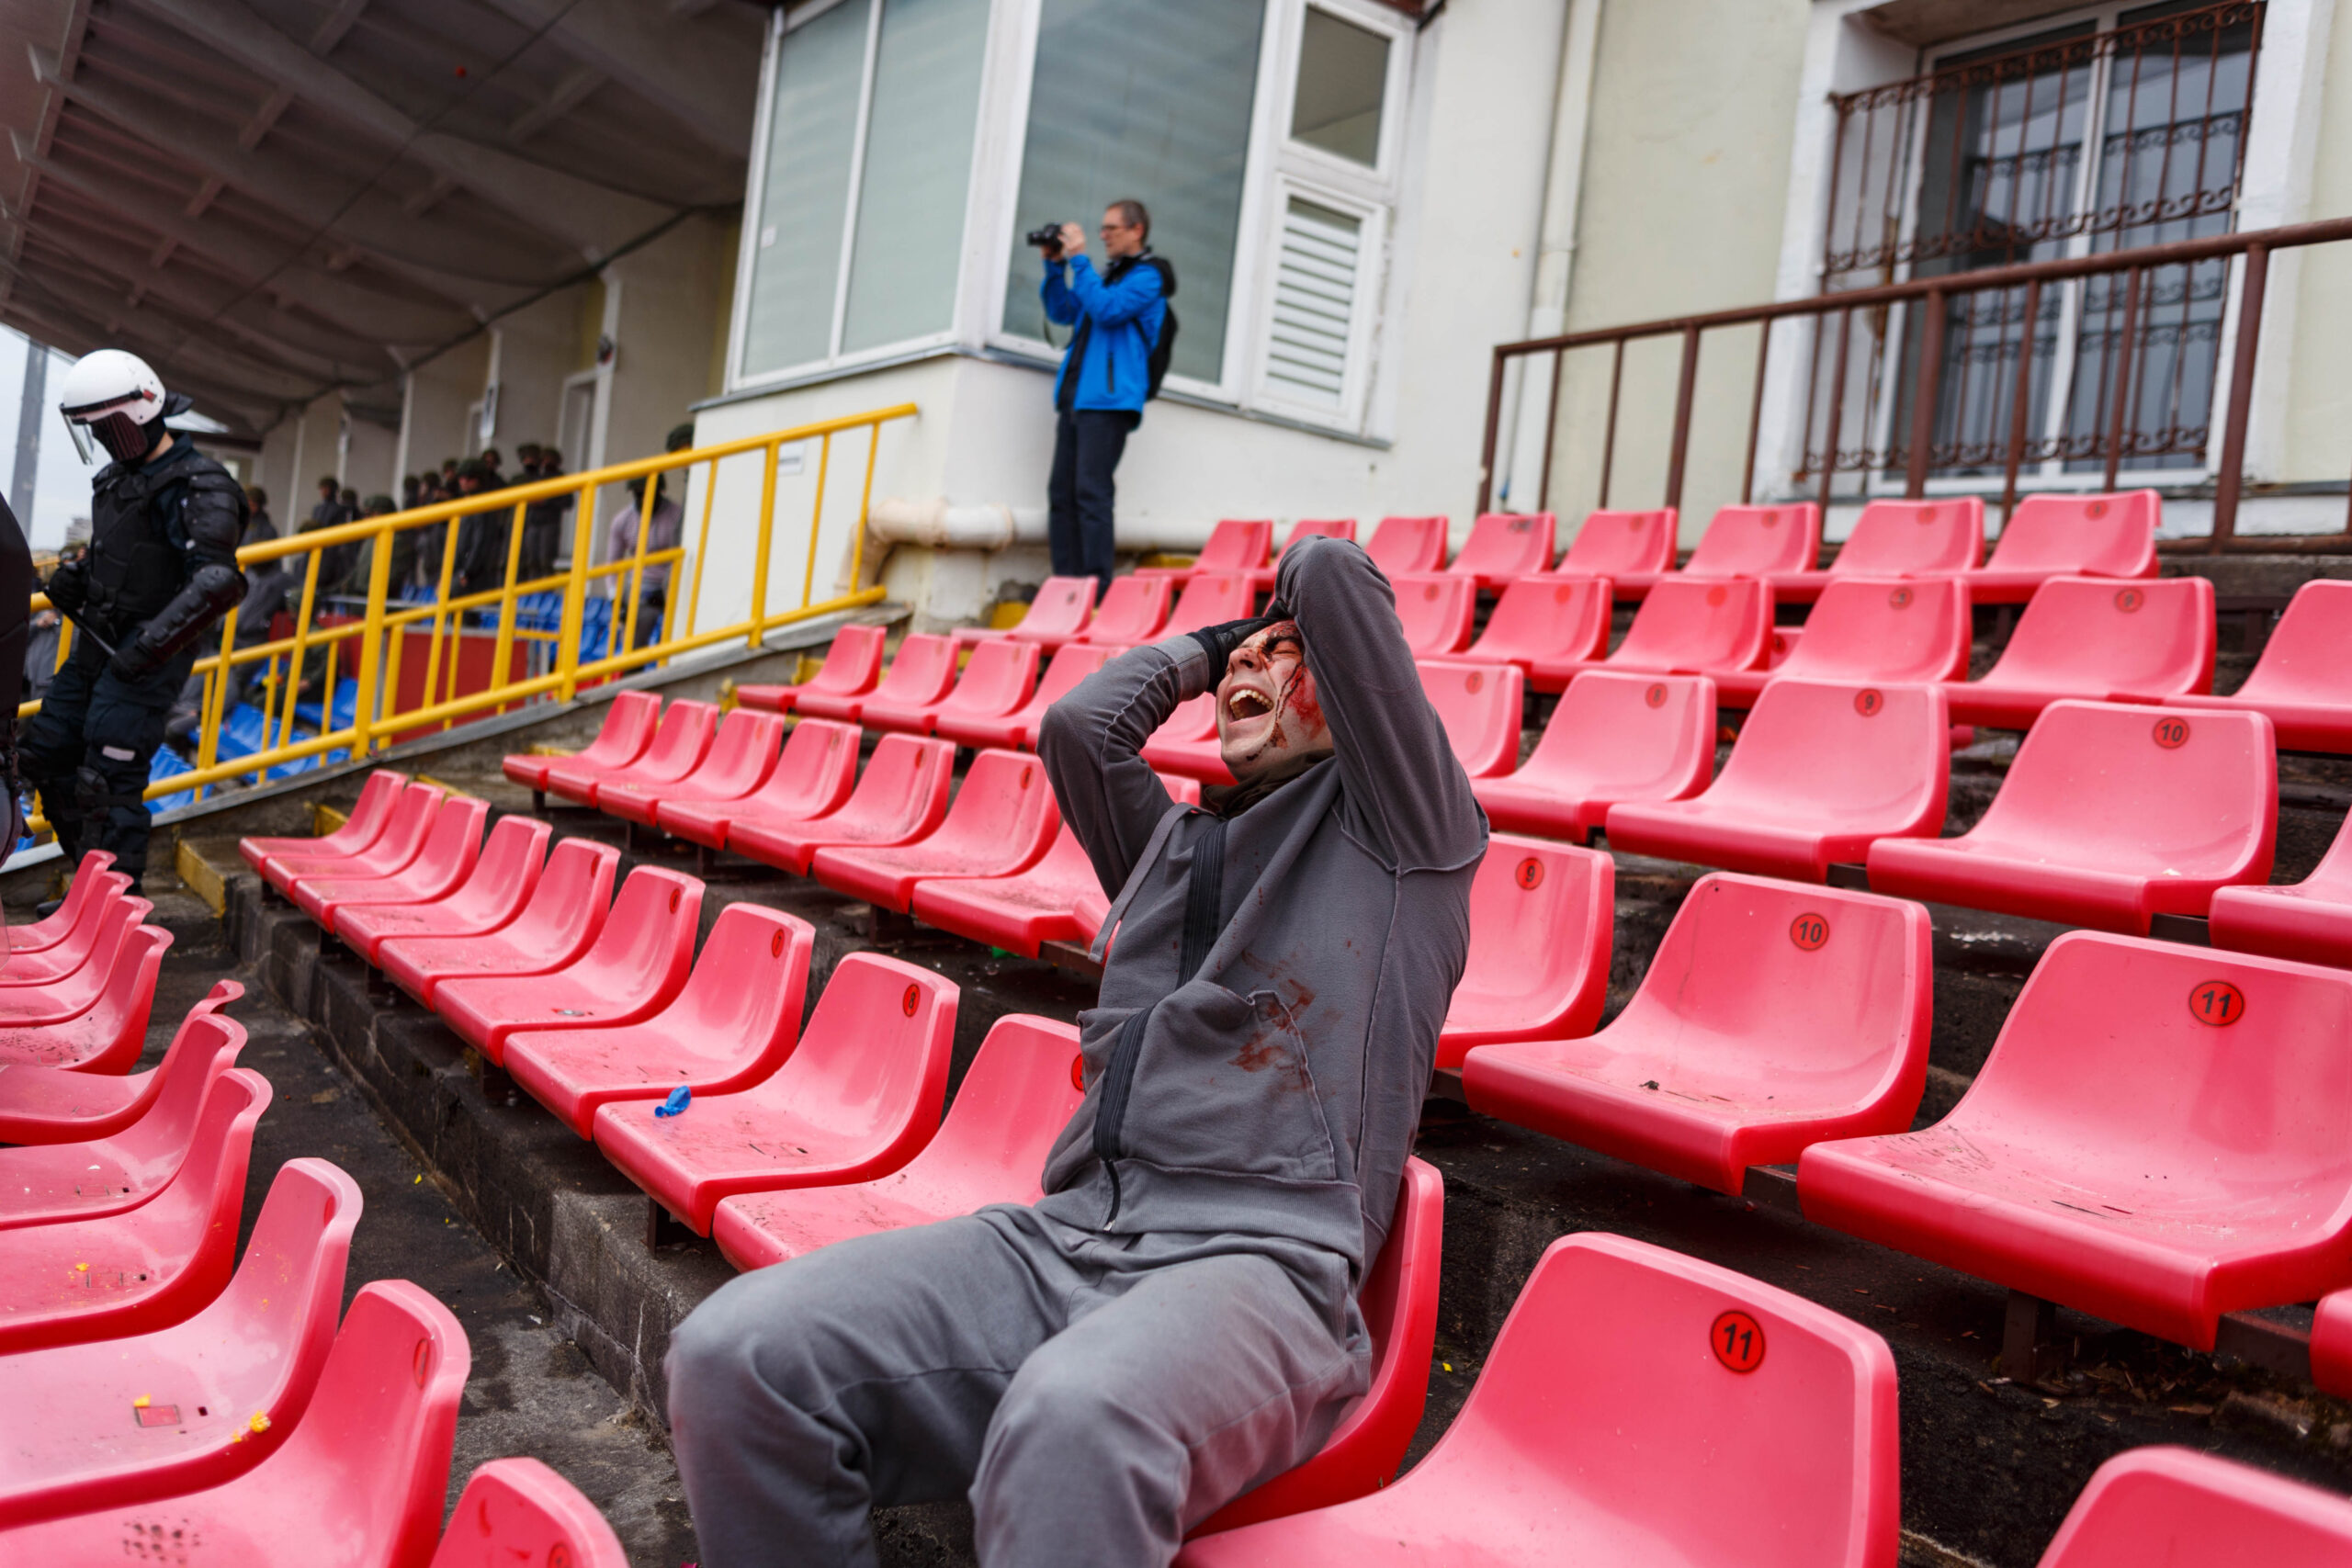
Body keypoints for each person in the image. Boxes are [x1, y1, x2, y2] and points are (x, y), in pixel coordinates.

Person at [666, 534, 1486, 1568]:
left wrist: (1280, 610)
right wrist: (1213, 648)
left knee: (1074, 1419)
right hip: (1070, 1233)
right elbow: (1080, 727)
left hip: (1259, 1269)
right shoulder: (1170, 845)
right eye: (1246, 652)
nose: (1250, 661)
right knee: (734, 1356)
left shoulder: (1411, 837)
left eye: (1286, 652)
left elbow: (1329, 572)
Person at [28, 350, 244, 890]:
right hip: (95, 649)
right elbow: (127, 557)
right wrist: (80, 577)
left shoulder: (200, 484)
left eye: (108, 427)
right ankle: (89, 893)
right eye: (94, 429)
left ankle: (119, 909)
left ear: (142, 411)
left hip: (145, 661)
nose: (102, 439)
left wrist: (148, 648)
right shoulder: (115, 480)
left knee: (108, 781)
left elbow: (217, 581)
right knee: (47, 752)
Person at [1037, 199, 1171, 597]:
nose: (1103, 235)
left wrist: (1079, 261)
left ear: (1136, 230)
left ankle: (1097, 589)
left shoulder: (1148, 277)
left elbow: (1108, 310)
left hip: (1109, 402)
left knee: (1091, 492)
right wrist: (1054, 266)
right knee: (1062, 494)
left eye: (1111, 228)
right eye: (1102, 228)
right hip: (1076, 397)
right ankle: (1066, 588)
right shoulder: (1105, 278)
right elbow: (1064, 311)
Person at [605, 474, 679, 648]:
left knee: (674, 632)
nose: (644, 499)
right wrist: (615, 597)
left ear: (660, 491)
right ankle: (635, 661)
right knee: (636, 626)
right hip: (643, 587)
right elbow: (612, 565)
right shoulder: (623, 520)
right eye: (639, 494)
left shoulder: (677, 515)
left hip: (673, 582)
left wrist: (666, 592)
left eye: (649, 493)